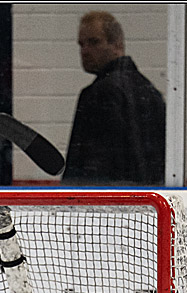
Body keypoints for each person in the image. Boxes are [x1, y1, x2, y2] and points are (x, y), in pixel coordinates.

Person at [61, 10, 165, 186]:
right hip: (148, 201)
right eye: (81, 44)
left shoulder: (97, 94)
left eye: (94, 42)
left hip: (104, 204)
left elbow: (83, 167)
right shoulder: (150, 92)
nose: (85, 51)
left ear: (117, 45)